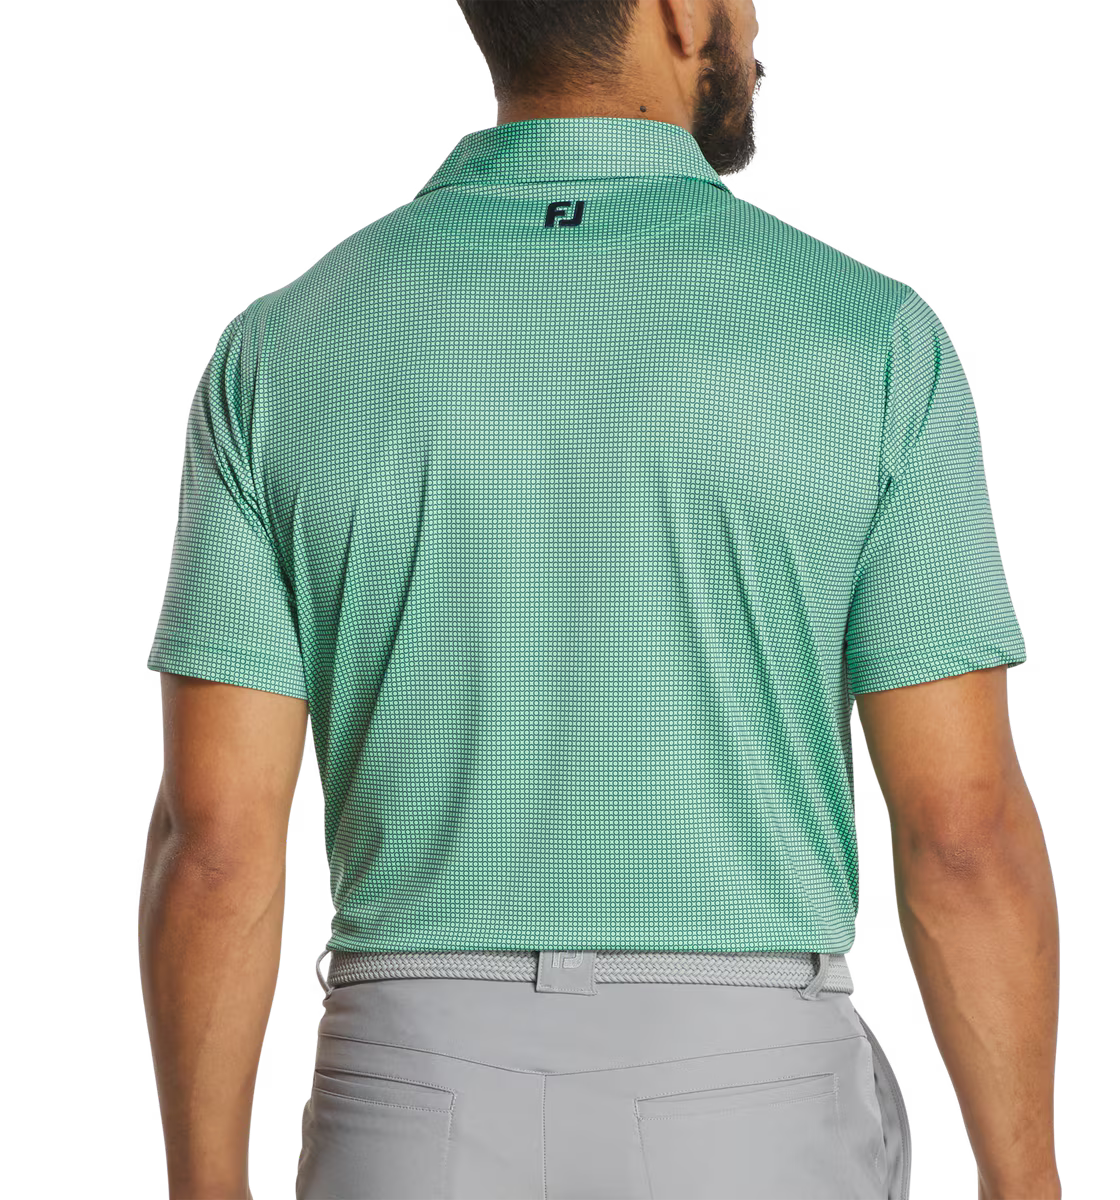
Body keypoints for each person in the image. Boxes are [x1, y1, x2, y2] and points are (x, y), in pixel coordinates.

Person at [139, 2, 1063, 1197]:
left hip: (409, 1091)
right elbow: (962, 832)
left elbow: (215, 839)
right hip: (750, 1097)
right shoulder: (870, 334)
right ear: (675, 10)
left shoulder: (280, 348)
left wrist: (204, 1186)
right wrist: (1025, 1180)